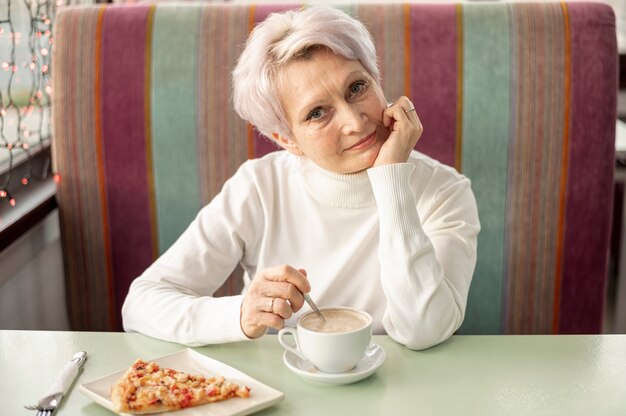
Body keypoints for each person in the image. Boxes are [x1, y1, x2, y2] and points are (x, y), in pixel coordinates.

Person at [122, 5, 480, 350]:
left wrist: (390, 180)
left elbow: (425, 329)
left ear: (376, 79)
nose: (355, 122)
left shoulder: (444, 192)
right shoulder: (259, 187)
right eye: (317, 113)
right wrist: (242, 313)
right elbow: (141, 303)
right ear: (286, 139)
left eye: (357, 88)